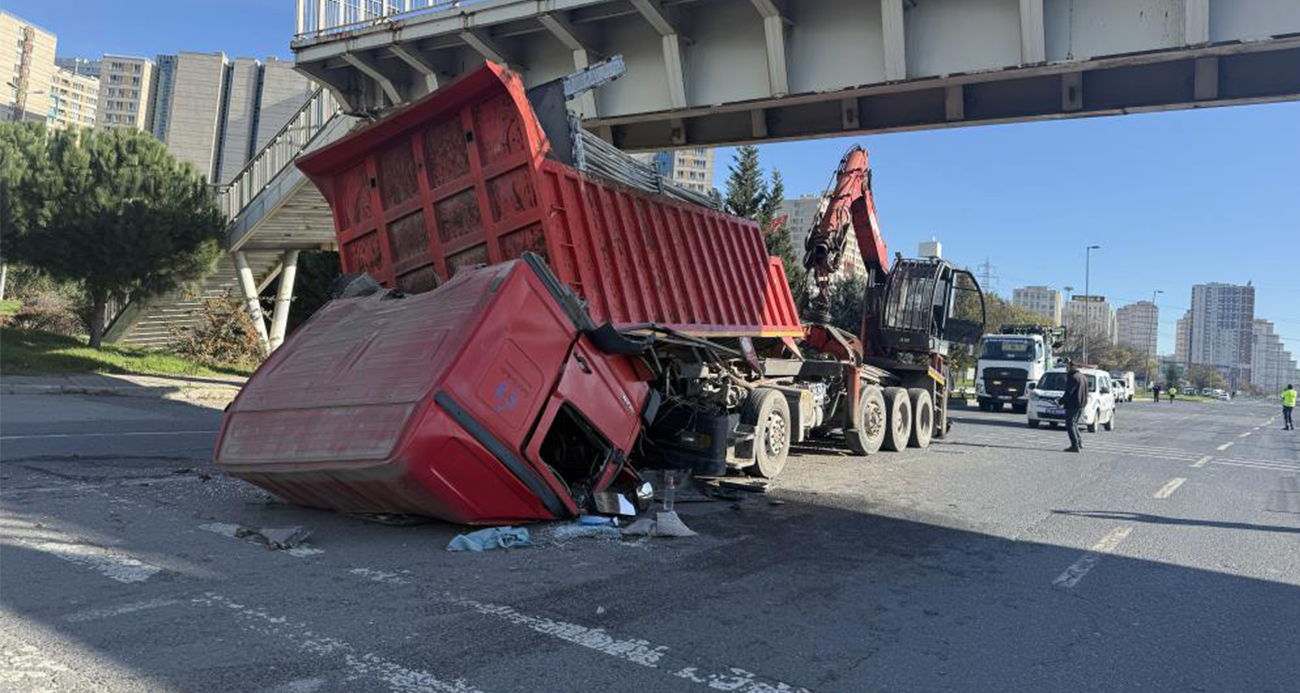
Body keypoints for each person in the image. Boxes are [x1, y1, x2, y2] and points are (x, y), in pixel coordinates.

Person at [1063, 359, 1089, 453]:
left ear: (1072, 367)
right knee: (1074, 424)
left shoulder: (1073, 377)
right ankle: (1079, 442)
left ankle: (1075, 445)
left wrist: (1061, 401)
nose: (1066, 368)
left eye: (1067, 367)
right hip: (1081, 404)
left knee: (1070, 424)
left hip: (1073, 404)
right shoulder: (1083, 377)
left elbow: (1069, 392)